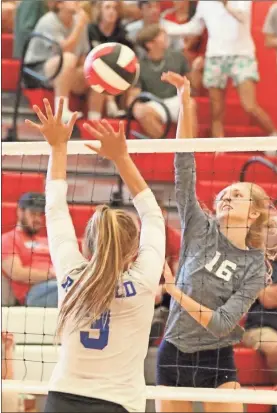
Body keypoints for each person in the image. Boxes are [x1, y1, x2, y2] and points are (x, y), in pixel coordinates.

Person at [25, 97, 165, 413]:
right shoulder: (143, 281)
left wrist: (58, 148)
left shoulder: (71, 272)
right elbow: (154, 216)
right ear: (133, 250)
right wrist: (121, 157)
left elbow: (54, 208)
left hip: (61, 399)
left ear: (87, 245)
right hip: (116, 403)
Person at [156, 72, 269, 413]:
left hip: (216, 358)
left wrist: (175, 292)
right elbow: (183, 161)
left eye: (238, 195)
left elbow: (221, 323)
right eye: (224, 194)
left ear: (253, 215)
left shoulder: (254, 267)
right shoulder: (197, 225)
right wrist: (185, 100)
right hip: (174, 350)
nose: (227, 197)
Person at [168, 0, 277, 138]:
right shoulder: (204, 3)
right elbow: (195, 28)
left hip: (242, 55)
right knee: (216, 111)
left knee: (249, 106)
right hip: (215, 56)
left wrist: (226, 4)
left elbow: (243, 17)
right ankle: (219, 152)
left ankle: (274, 136)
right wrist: (165, 28)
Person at [24, 1, 94, 123]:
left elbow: (83, 55)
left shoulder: (79, 22)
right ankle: (61, 112)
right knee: (67, 58)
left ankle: (95, 118)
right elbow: (64, 50)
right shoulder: (48, 21)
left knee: (97, 69)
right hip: (38, 70)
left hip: (67, 69)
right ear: (59, 4)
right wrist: (79, 27)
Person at [129, 24, 199, 139]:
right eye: (161, 35)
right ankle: (166, 147)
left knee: (190, 104)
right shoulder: (139, 66)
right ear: (150, 44)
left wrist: (195, 69)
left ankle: (189, 149)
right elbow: (134, 94)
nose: (166, 37)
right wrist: (134, 106)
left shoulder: (178, 56)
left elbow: (193, 85)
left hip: (176, 98)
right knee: (139, 110)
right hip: (154, 102)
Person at [2, 192, 58, 308]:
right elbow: (16, 273)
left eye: (40, 215)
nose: (37, 219)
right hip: (34, 292)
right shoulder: (8, 239)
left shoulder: (47, 240)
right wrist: (52, 274)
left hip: (57, 284)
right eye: (33, 213)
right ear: (20, 212)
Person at [243, 210, 277, 383]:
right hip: (260, 327)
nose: (274, 230)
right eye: (270, 226)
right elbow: (268, 299)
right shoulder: (255, 260)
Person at [87, 0, 134, 119]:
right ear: (100, 11)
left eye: (115, 8)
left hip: (116, 75)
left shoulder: (122, 34)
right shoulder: (90, 30)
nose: (111, 11)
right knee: (100, 71)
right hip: (89, 72)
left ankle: (127, 114)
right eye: (107, 7)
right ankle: (109, 104)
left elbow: (130, 58)